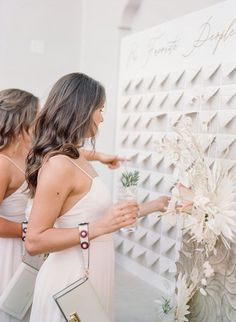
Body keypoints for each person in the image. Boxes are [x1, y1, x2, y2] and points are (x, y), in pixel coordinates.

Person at [25, 72, 169, 322]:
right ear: (81, 109)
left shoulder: (76, 156)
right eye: (99, 109)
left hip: (92, 274)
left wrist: (154, 206)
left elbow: (100, 218)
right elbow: (35, 241)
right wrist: (98, 227)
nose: (102, 118)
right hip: (69, 283)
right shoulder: (59, 165)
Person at [0, 88, 39, 322]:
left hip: (26, 248)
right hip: (7, 252)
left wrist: (102, 156)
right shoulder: (2, 164)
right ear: (21, 120)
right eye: (37, 115)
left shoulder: (26, 154)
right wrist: (28, 231)